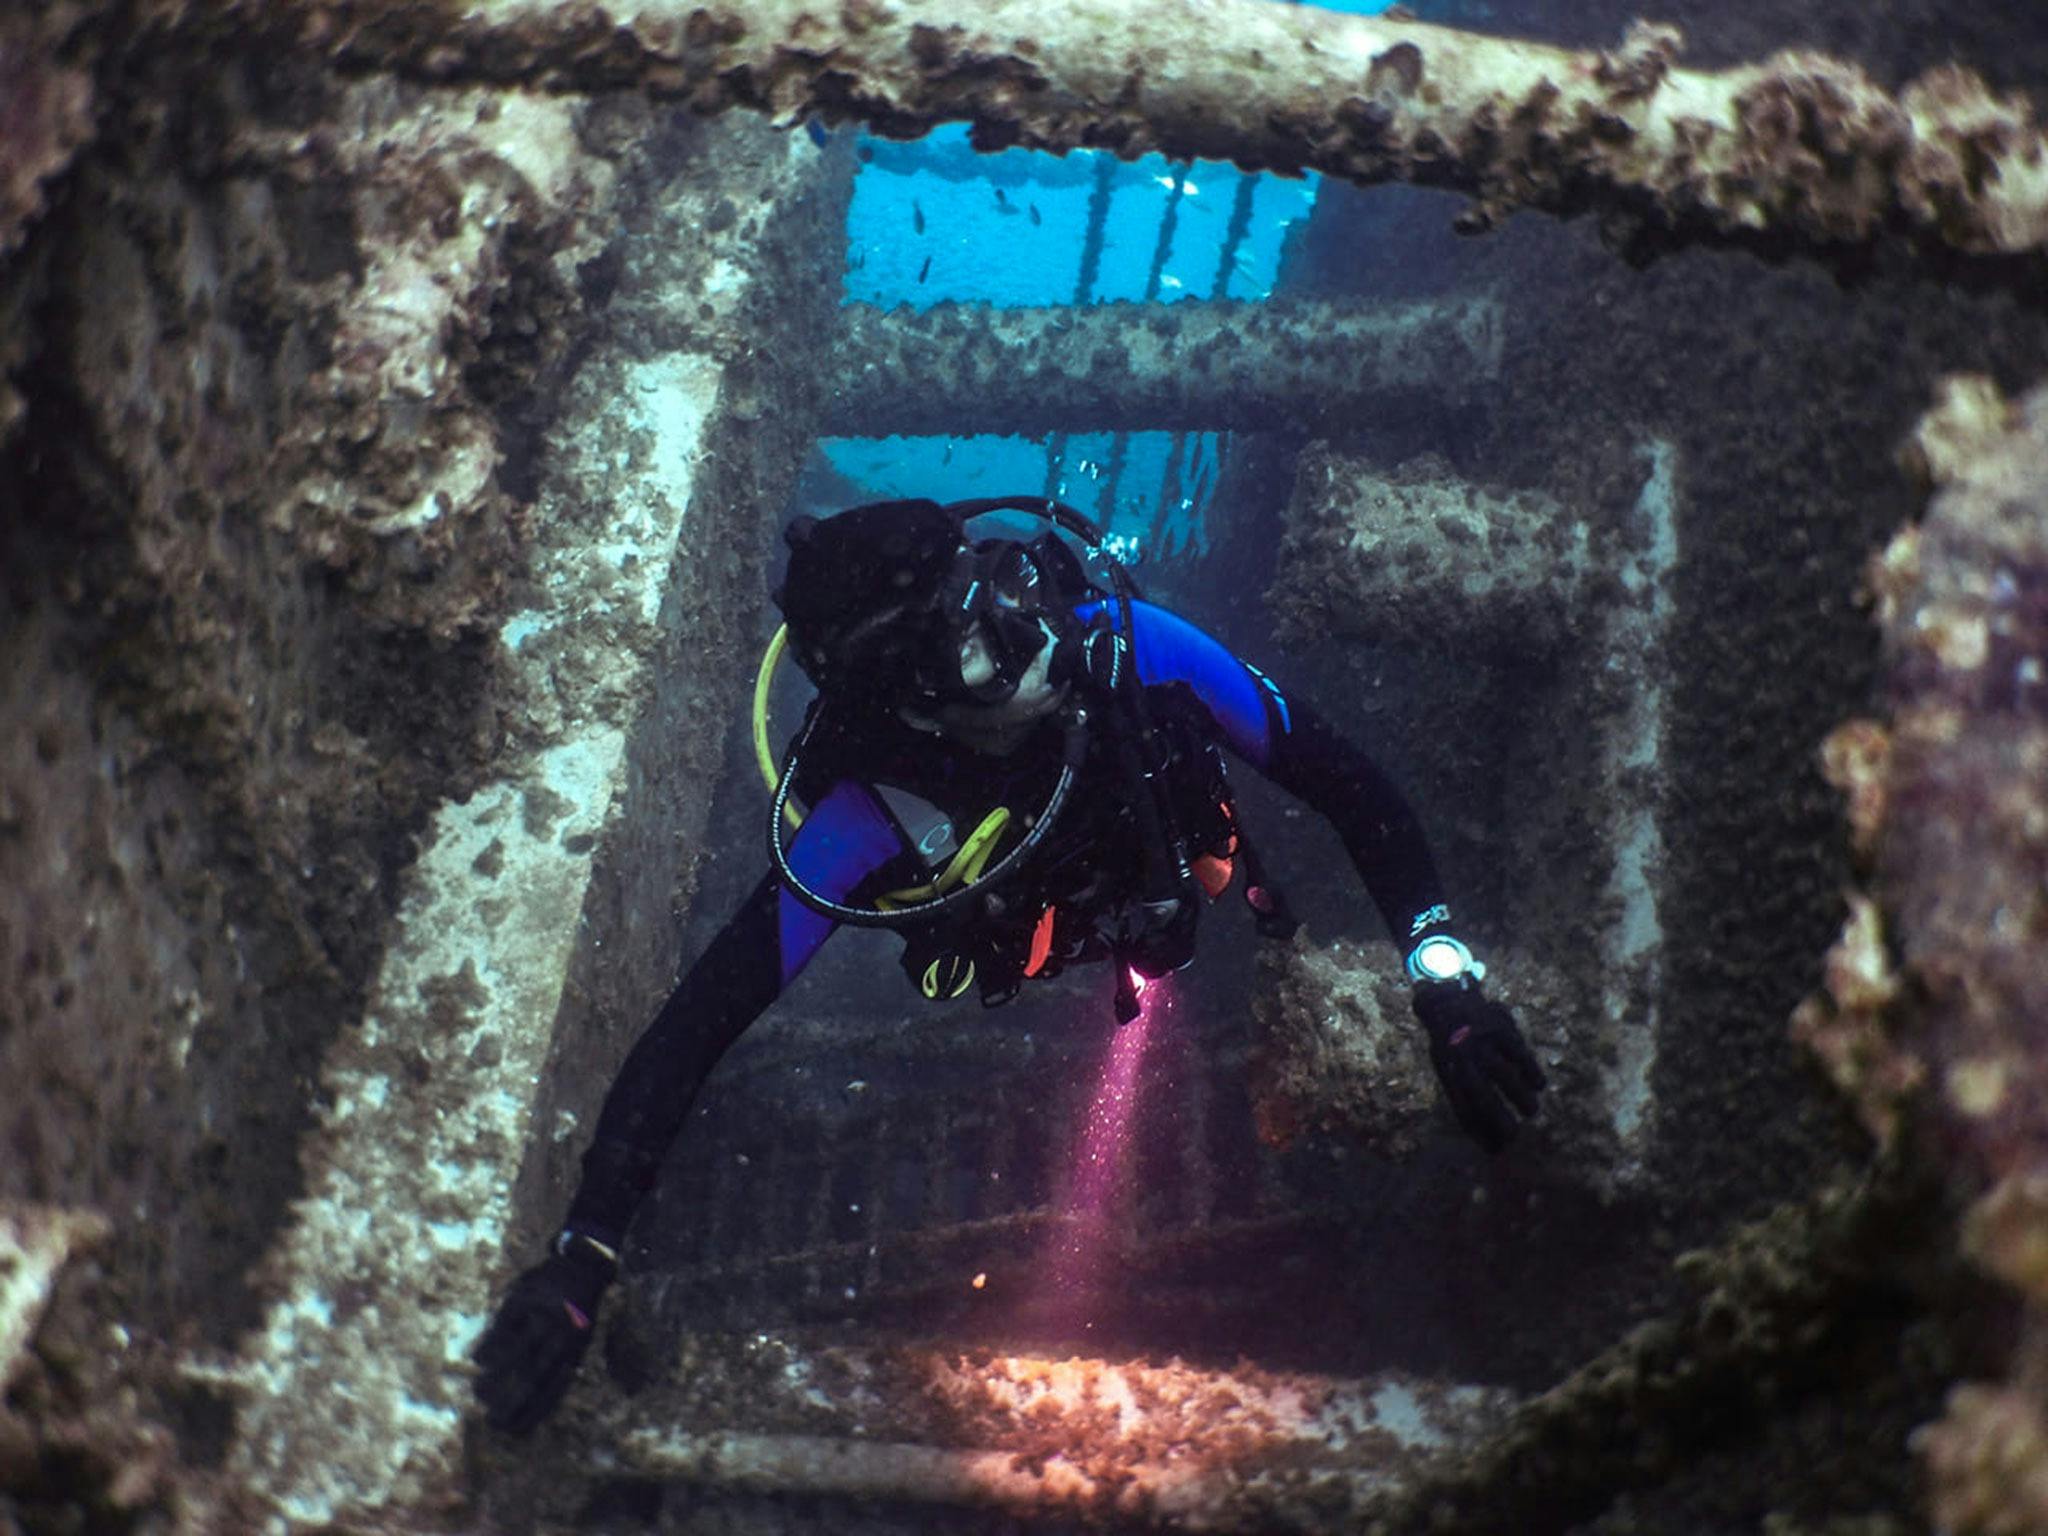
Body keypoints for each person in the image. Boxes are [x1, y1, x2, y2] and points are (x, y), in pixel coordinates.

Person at [473, 495, 1547, 1434]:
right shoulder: (860, 822)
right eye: (960, 633)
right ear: (900, 692)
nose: (1015, 628)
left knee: (1202, 886)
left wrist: (1442, 980)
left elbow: (1346, 782)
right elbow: (695, 1025)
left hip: (1163, 879)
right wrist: (585, 1254)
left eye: (990, 585)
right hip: (1023, 931)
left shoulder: (1130, 648)